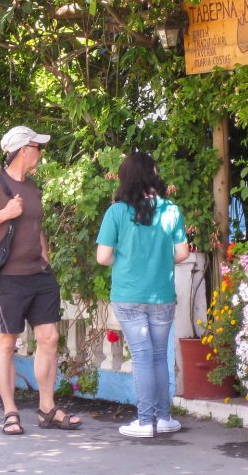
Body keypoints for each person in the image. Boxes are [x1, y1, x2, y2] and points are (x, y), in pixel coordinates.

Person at [0, 125, 81, 435]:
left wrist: (44, 254)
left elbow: (36, 224)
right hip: (8, 279)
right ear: (24, 150)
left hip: (38, 275)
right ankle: (10, 412)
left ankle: (46, 408)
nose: (41, 153)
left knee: (49, 338)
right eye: (37, 147)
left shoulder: (32, 186)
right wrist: (5, 213)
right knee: (6, 342)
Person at [95, 152, 190, 437]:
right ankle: (163, 418)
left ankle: (145, 421)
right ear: (153, 174)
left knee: (141, 355)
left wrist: (126, 261)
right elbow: (183, 252)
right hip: (161, 294)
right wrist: (158, 260)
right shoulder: (171, 210)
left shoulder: (116, 212)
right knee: (159, 355)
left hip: (128, 294)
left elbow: (103, 257)